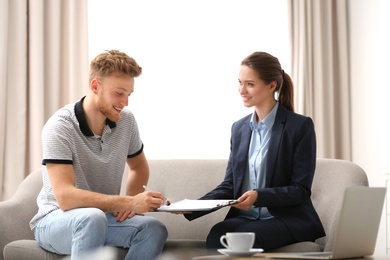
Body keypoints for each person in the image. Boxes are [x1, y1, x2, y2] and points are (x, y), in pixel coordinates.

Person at [30, 50, 168, 259]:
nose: (125, 103)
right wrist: (127, 202)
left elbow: (139, 167)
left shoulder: (126, 122)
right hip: (55, 220)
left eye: (129, 95)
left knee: (153, 228)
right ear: (95, 86)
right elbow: (65, 197)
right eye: (119, 93)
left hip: (101, 218)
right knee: (91, 218)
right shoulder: (60, 126)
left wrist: (129, 205)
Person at [184, 51, 325, 250]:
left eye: (250, 84)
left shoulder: (299, 126)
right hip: (247, 218)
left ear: (271, 86)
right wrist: (191, 208)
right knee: (216, 235)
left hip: (284, 218)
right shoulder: (239, 128)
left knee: (244, 238)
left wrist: (259, 195)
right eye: (240, 82)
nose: (242, 90)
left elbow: (300, 190)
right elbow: (230, 184)